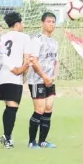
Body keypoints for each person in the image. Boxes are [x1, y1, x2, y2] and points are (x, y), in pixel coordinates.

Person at [0, 12, 52, 149]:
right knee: (12, 108)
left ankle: (6, 135)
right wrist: (24, 75)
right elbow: (27, 58)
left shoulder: (2, 38)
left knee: (9, 107)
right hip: (15, 75)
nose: (23, 25)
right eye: (22, 23)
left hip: (2, 76)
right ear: (17, 24)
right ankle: (7, 138)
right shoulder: (24, 37)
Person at [27, 12, 59, 149]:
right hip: (37, 80)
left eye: (53, 22)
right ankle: (32, 141)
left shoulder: (54, 42)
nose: (51, 24)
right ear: (42, 23)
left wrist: (53, 76)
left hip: (49, 81)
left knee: (48, 107)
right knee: (39, 109)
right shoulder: (37, 40)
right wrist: (44, 76)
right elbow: (34, 61)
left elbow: (56, 62)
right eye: (49, 21)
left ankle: (43, 141)